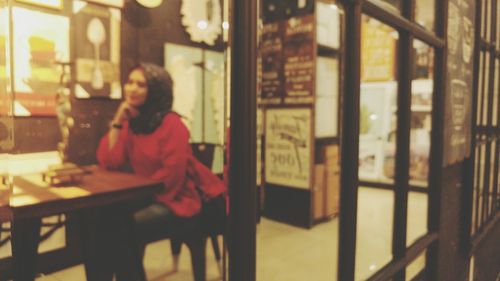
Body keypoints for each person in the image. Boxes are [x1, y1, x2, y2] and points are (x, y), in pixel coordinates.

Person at [96, 62, 226, 271]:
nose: (132, 88)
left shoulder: (172, 124)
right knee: (101, 224)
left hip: (178, 200)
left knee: (124, 228)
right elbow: (110, 161)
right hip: (147, 194)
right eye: (129, 82)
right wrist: (118, 121)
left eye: (141, 84)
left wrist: (139, 194)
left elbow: (171, 179)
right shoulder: (132, 123)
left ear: (156, 90)